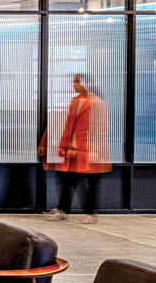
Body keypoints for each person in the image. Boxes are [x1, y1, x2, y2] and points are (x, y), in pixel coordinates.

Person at [46, 73, 111, 224]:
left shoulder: (97, 103)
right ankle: (63, 210)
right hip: (76, 149)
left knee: (91, 181)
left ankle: (90, 212)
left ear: (87, 84)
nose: (74, 85)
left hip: (91, 150)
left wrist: (94, 150)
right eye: (74, 82)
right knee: (68, 179)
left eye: (77, 82)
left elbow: (101, 128)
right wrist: (65, 145)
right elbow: (70, 126)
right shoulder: (76, 101)